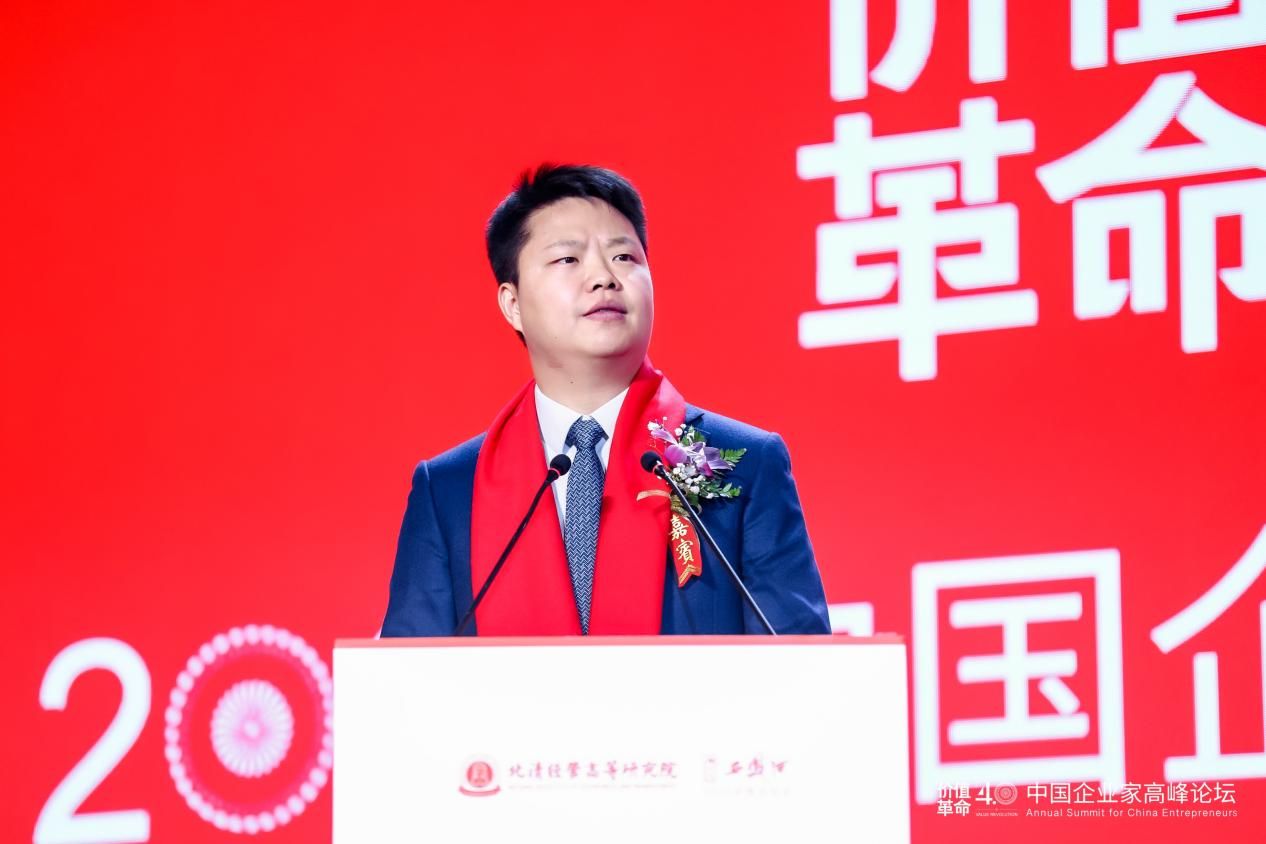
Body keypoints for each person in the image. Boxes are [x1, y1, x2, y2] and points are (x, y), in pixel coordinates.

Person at [381, 164, 829, 636]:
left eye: (624, 257)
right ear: (512, 304)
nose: (603, 277)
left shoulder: (744, 463)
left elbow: (799, 660)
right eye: (568, 259)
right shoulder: (448, 490)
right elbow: (408, 674)